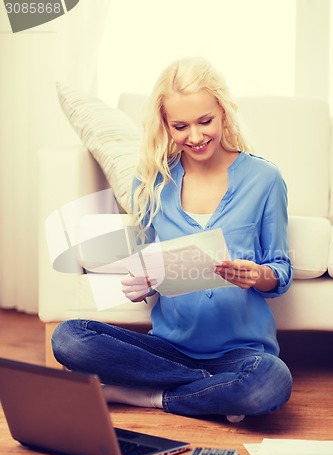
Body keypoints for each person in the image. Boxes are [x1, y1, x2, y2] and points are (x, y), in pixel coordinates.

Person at [52, 56, 293, 423]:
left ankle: (149, 394)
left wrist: (256, 274)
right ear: (165, 125)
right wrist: (145, 284)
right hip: (168, 348)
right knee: (68, 337)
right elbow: (152, 262)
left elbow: (281, 269)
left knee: (269, 382)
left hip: (242, 353)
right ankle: (215, 391)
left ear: (224, 113)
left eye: (205, 121)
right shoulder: (152, 184)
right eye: (181, 126)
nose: (195, 137)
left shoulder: (265, 179)